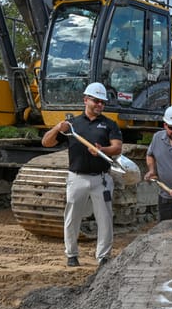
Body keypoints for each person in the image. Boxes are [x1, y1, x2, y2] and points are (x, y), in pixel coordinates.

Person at [41, 82, 123, 268]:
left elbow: (117, 147)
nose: (100, 105)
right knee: (72, 217)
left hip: (101, 179)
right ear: (86, 100)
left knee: (105, 219)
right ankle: (71, 254)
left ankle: (103, 257)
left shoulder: (109, 124)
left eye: (102, 102)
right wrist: (57, 128)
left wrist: (103, 150)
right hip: (77, 178)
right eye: (96, 101)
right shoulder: (73, 125)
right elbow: (46, 143)